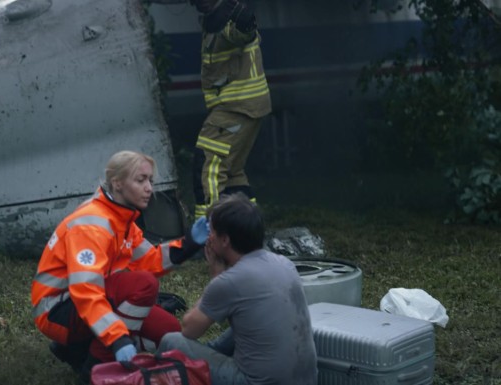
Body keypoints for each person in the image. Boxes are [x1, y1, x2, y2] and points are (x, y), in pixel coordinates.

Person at [30, 150, 209, 382]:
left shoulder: (122, 219)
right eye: (141, 180)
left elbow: (150, 261)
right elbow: (86, 291)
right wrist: (117, 339)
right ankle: (95, 367)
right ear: (117, 183)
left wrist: (188, 245)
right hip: (57, 311)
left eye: (151, 181)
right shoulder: (93, 225)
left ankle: (76, 349)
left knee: (169, 331)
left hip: (82, 304)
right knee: (143, 285)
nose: (149, 188)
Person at [157, 193, 318, 385]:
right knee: (251, 323)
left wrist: (217, 275)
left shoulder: (230, 281)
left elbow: (188, 329)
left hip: (253, 381)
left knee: (171, 341)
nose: (209, 237)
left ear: (224, 240)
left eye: (212, 231)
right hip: (307, 380)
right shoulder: (284, 263)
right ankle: (207, 357)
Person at [190, 0, 272, 218]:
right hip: (242, 107)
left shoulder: (229, 19)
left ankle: (208, 233)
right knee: (233, 173)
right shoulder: (214, 21)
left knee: (208, 167)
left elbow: (243, 31)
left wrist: (244, 19)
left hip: (236, 107)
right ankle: (247, 230)